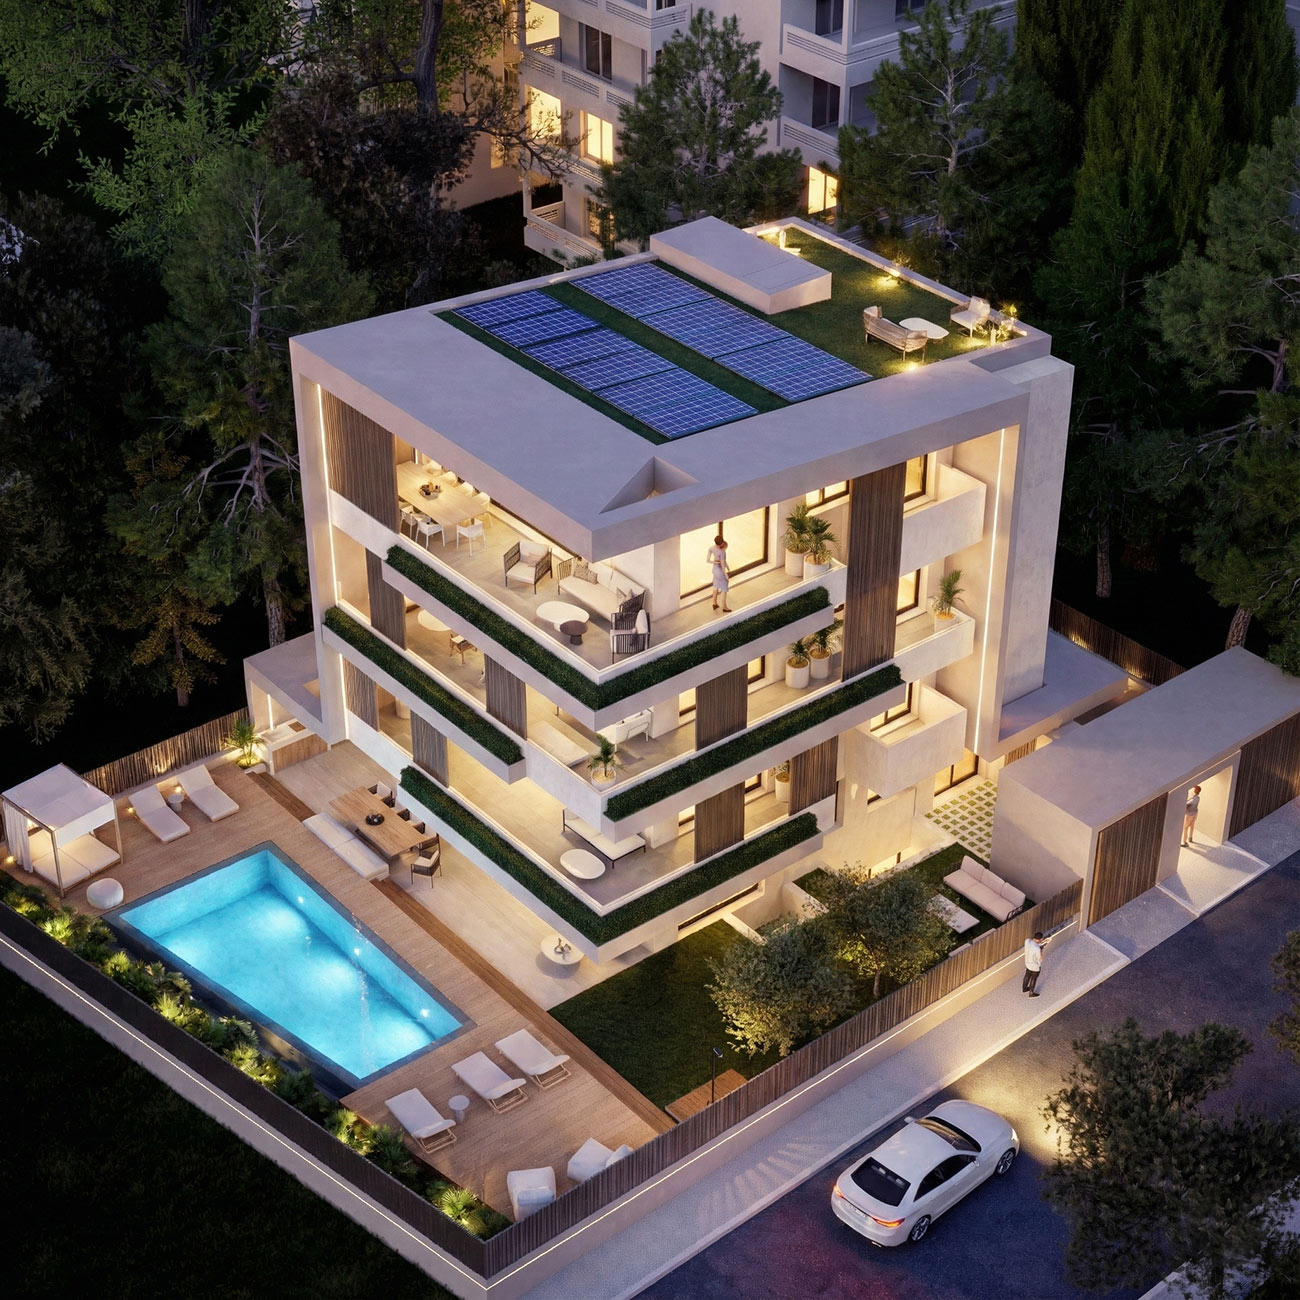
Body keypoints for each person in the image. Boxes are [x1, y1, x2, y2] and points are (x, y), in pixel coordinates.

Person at [707, 535, 731, 612]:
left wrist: (715, 562)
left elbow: (708, 560)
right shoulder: (722, 552)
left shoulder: (711, 548)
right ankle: (724, 607)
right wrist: (726, 575)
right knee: (724, 588)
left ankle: (714, 603)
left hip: (715, 570)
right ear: (721, 543)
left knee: (715, 585)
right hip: (720, 571)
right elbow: (722, 564)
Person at [1022, 931, 1046, 996]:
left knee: (1027, 975)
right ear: (1040, 939)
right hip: (1034, 966)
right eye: (1041, 939)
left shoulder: (1027, 941)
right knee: (1034, 978)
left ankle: (1024, 988)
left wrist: (1039, 945)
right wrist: (1042, 949)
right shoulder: (1037, 948)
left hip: (1027, 963)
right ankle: (1031, 993)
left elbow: (1033, 944)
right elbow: (1039, 959)